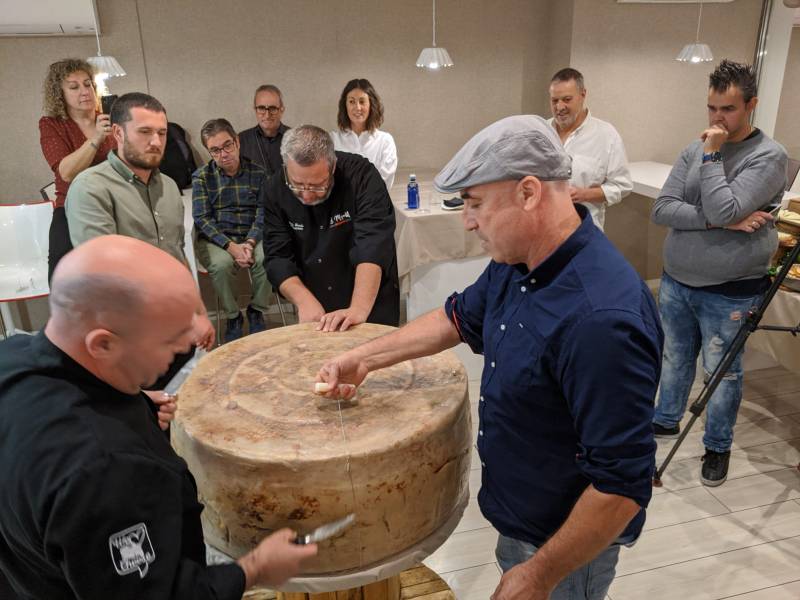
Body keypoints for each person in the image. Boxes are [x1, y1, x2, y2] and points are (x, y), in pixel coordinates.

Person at [315, 115, 663, 600]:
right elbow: (456, 318)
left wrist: (540, 574)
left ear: (528, 192)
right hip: (520, 516)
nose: (468, 220)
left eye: (476, 203)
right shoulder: (518, 261)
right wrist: (365, 359)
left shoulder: (601, 319)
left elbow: (621, 488)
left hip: (563, 546)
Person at [0, 235, 317, 599]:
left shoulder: (11, 357)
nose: (187, 345)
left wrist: (135, 403)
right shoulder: (107, 472)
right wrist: (254, 569)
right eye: (172, 339)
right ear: (103, 344)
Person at [651, 59, 787, 487]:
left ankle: (717, 446)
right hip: (677, 279)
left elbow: (723, 205)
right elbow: (662, 208)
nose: (716, 119)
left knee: (722, 373)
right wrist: (721, 221)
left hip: (730, 289)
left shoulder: (768, 157)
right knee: (673, 358)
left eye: (727, 109)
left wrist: (712, 158)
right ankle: (665, 420)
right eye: (711, 108)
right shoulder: (693, 148)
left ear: (751, 105)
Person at [65, 92, 215, 385]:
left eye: (161, 132)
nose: (157, 141)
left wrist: (198, 311)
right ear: (118, 133)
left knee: (175, 413)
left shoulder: (170, 187)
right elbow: (102, 277)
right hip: (126, 341)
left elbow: (176, 257)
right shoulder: (91, 187)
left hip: (173, 333)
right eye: (145, 132)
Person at [264, 125, 399, 331]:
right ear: (286, 168)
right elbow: (277, 256)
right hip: (315, 300)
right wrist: (303, 300)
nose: (307, 195)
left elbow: (373, 245)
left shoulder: (362, 177)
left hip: (369, 299)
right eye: (297, 184)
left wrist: (358, 309)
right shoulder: (275, 189)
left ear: (333, 166)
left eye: (318, 185)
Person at [193, 118, 271, 342]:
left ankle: (256, 310)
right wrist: (231, 246)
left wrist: (249, 243)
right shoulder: (202, 177)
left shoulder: (258, 173)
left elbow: (263, 213)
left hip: (251, 235)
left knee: (268, 258)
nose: (223, 154)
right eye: (215, 150)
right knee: (221, 265)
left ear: (237, 142)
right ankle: (233, 315)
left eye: (227, 145)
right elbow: (202, 219)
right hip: (218, 238)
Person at [39, 58, 116, 281]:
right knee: (61, 271)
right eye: (74, 87)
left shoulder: (109, 116)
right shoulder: (51, 124)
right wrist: (97, 137)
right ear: (59, 94)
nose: (84, 91)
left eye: (87, 84)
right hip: (72, 204)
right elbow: (66, 172)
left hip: (114, 201)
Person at [547, 67, 632, 230]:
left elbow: (622, 186)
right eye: (554, 100)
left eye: (566, 99)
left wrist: (583, 194)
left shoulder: (606, 135)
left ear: (583, 95)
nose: (559, 107)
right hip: (542, 230)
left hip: (584, 230)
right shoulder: (541, 132)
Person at [330, 78, 397, 190]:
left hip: (375, 206)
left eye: (362, 101)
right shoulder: (333, 140)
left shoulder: (385, 141)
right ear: (345, 106)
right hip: (342, 207)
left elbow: (383, 183)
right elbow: (329, 181)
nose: (358, 107)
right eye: (352, 102)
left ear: (371, 104)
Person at [239, 84, 290, 178]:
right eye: (261, 108)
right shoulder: (241, 140)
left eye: (273, 108)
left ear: (282, 110)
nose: (267, 115)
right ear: (255, 110)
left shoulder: (296, 139)